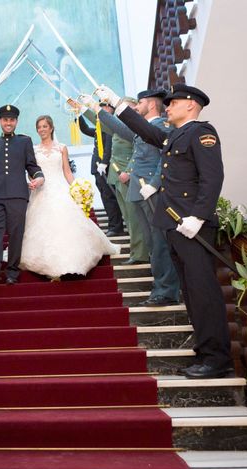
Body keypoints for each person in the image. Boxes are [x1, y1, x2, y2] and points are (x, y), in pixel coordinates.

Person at [95, 83, 233, 379]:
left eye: (174, 103)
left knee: (203, 292)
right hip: (174, 225)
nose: (167, 107)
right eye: (166, 104)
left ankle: (217, 359)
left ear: (191, 105)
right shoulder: (176, 134)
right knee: (192, 294)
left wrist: (198, 216)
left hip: (192, 228)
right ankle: (205, 353)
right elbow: (147, 132)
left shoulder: (201, 133)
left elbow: (212, 178)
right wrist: (116, 103)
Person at [80, 91, 181, 307]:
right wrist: (97, 110)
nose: (137, 107)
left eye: (141, 103)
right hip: (139, 191)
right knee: (153, 243)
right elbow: (119, 128)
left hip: (152, 193)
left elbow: (163, 159)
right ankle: (160, 287)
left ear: (152, 105)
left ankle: (167, 290)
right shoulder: (143, 129)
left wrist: (154, 184)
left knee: (160, 243)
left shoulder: (161, 126)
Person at [19, 115, 120, 278]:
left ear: (51, 128)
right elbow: (32, 170)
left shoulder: (62, 148)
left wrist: (76, 188)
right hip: (41, 190)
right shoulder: (33, 149)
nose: (42, 129)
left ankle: (73, 260)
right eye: (39, 127)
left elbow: (66, 171)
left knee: (68, 222)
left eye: (45, 126)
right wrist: (32, 181)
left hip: (60, 187)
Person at [0, 105, 44, 285]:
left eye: (11, 120)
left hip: (18, 196)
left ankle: (12, 272)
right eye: (5, 120)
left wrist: (39, 177)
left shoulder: (24, 142)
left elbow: (31, 165)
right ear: (0, 121)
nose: (8, 123)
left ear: (16, 121)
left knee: (15, 233)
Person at [83, 98, 150, 265]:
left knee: (134, 219)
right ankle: (137, 252)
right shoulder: (122, 125)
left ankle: (141, 254)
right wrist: (84, 110)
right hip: (118, 177)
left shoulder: (135, 127)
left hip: (129, 177)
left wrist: (129, 170)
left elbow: (138, 151)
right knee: (128, 217)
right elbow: (102, 125)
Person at [76, 108, 124, 236]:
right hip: (98, 168)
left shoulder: (110, 124)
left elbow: (108, 146)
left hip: (105, 167)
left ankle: (116, 226)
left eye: (104, 107)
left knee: (110, 197)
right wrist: (78, 115)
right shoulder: (100, 126)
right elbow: (85, 129)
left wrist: (104, 162)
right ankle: (114, 224)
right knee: (106, 196)